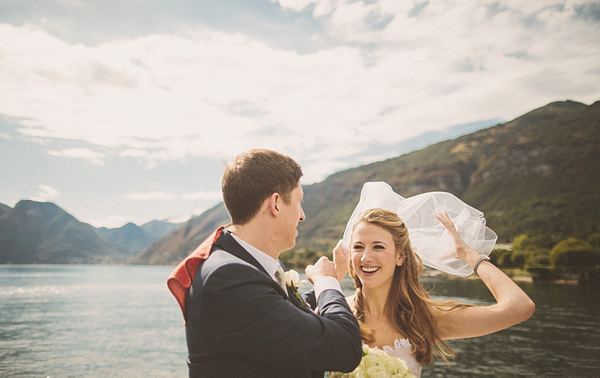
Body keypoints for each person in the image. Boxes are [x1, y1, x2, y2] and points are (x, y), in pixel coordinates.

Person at [168, 149, 362, 378]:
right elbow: (345, 349)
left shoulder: (242, 263)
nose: (302, 216)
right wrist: (326, 283)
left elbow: (278, 315)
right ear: (276, 203)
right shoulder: (229, 278)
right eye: (299, 202)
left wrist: (329, 281)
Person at [331, 188, 535, 377]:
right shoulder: (333, 311)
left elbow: (520, 307)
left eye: (378, 247)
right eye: (358, 247)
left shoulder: (424, 319)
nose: (366, 258)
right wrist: (331, 281)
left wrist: (469, 254)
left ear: (400, 257)